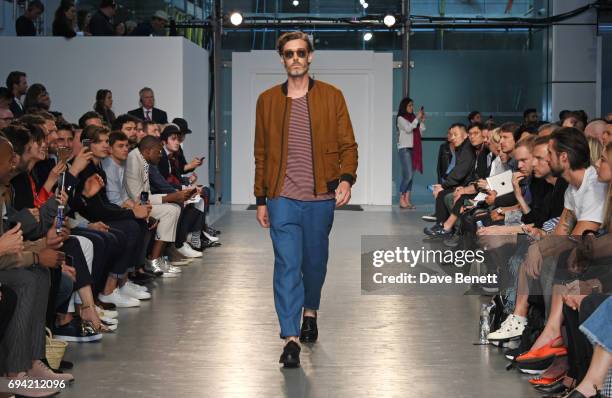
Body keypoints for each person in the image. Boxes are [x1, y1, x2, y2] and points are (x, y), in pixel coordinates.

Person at [253, 31, 358, 368]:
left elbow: (348, 145)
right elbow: (261, 153)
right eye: (288, 54)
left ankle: (310, 310)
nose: (295, 58)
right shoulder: (267, 101)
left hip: (320, 197)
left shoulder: (332, 96)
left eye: (300, 53)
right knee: (286, 264)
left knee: (314, 263)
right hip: (281, 196)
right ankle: (290, 337)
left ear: (310, 56)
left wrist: (346, 178)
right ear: (281, 59)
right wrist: (260, 198)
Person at [396, 97, 425, 209]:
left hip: (414, 149)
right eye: (409, 105)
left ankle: (407, 199)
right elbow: (408, 129)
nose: (412, 107)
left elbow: (420, 132)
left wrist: (421, 121)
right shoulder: (401, 118)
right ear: (404, 106)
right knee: (407, 175)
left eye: (412, 105)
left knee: (411, 176)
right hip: (405, 149)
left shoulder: (414, 118)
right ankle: (401, 199)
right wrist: (416, 119)